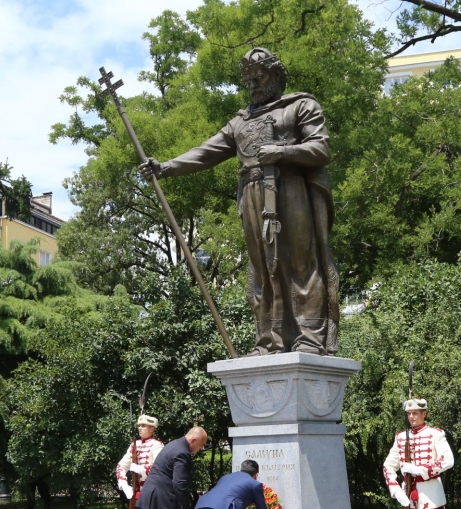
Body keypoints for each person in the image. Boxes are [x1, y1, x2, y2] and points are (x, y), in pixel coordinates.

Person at [140, 47, 340, 356]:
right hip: (251, 193)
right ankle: (269, 341)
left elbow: (321, 148)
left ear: (276, 75)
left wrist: (283, 152)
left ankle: (309, 338)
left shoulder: (301, 105)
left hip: (291, 188)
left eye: (258, 78)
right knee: (264, 269)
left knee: (301, 263)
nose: (253, 85)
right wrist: (165, 167)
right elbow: (206, 151)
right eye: (247, 80)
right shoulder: (242, 121)